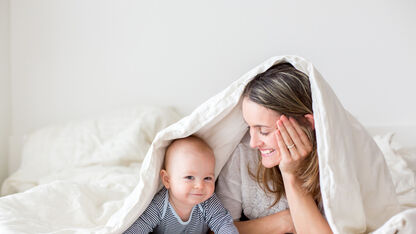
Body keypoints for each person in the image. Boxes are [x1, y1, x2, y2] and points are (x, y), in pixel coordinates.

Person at [216, 62, 332, 234]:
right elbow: (214, 229)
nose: (253, 143)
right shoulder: (243, 154)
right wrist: (285, 221)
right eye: (249, 127)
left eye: (263, 131)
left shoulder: (331, 163)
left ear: (307, 123)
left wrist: (290, 174)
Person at [124, 135, 238, 234]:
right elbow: (139, 227)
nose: (200, 186)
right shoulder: (159, 205)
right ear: (167, 180)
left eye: (207, 178)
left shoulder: (208, 203)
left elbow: (222, 222)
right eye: (189, 177)